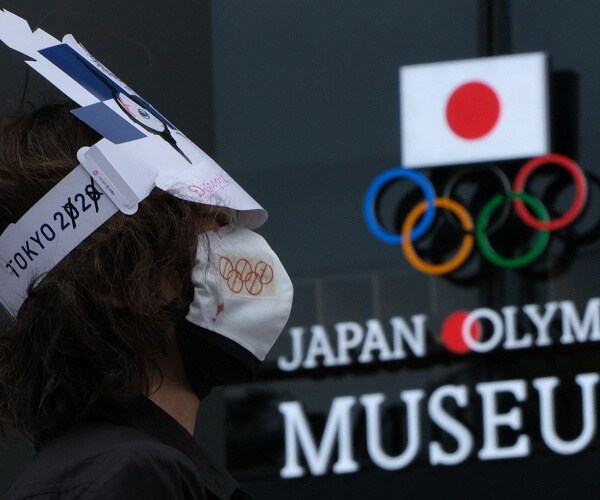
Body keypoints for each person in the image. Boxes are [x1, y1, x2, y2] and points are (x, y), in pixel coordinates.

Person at [0, 101, 292, 499]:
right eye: (216, 224)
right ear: (117, 278)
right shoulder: (135, 478)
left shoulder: (97, 471)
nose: (246, 248)